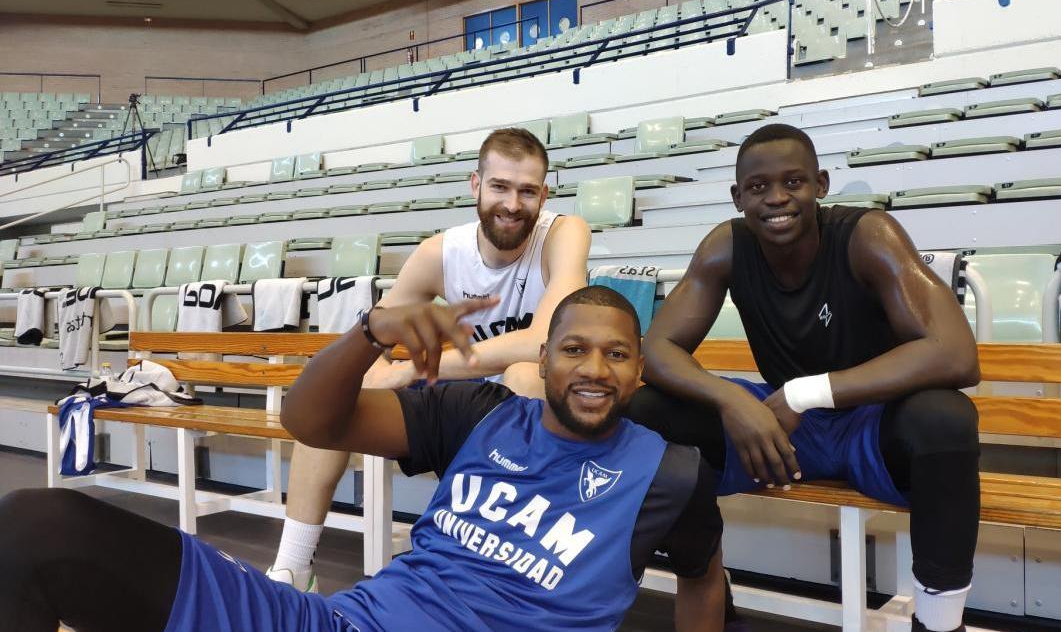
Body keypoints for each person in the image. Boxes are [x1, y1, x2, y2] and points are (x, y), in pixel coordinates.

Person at [0, 286, 727, 632]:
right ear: (544, 358)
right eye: (574, 348)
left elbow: (703, 576)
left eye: (617, 354)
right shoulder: (479, 413)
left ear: (638, 374)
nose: (594, 367)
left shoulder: (670, 473)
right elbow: (309, 418)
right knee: (33, 527)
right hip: (337, 625)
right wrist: (368, 333)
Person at [630, 123, 981, 632]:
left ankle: (939, 626)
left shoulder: (868, 236)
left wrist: (805, 391)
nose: (776, 198)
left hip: (873, 424)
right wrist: (733, 400)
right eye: (758, 187)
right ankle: (709, 594)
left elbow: (956, 355)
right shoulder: (725, 248)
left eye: (793, 182)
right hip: (783, 432)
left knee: (945, 418)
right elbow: (657, 350)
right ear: (737, 196)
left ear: (820, 184)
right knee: (648, 414)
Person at [272, 127, 591, 592]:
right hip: (459, 407)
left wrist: (414, 369)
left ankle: (502, 570)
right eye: (500, 186)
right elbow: (372, 344)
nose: (512, 203)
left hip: (530, 413)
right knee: (337, 396)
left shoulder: (565, 233)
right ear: (475, 185)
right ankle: (293, 568)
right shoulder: (440, 252)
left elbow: (547, 343)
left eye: (527, 191)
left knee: (526, 374)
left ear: (544, 194)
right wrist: (380, 377)